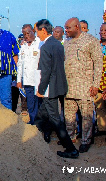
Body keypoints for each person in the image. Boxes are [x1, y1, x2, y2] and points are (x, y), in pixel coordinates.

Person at [33, 19, 79, 159]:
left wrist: (40, 89)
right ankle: (32, 136)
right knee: (42, 115)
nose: (37, 35)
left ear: (43, 31)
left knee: (55, 119)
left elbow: (46, 72)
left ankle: (70, 149)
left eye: (37, 32)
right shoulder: (58, 44)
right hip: (60, 86)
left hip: (50, 89)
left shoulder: (46, 47)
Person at [63, 17, 102, 153]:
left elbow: (98, 63)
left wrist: (95, 84)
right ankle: (70, 138)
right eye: (65, 28)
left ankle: (86, 140)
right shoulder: (66, 42)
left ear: (77, 27)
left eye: (68, 28)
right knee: (68, 116)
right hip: (69, 86)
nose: (66, 30)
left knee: (86, 116)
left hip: (85, 86)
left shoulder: (91, 41)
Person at [16, 24, 41, 124]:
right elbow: (20, 64)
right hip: (27, 81)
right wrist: (18, 80)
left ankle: (40, 124)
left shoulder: (40, 43)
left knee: (39, 104)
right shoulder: (23, 46)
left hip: (38, 81)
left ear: (33, 31)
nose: (26, 36)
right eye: (24, 34)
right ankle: (33, 123)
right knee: (30, 104)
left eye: (28, 33)